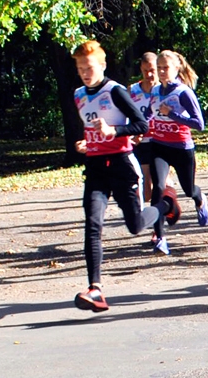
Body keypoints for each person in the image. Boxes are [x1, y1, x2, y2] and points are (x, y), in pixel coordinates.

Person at [71, 41, 160, 312]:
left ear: (102, 66)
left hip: (121, 164)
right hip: (96, 167)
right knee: (92, 223)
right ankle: (95, 288)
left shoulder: (115, 91)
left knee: (135, 225)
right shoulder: (78, 95)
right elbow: (91, 127)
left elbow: (141, 125)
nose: (85, 73)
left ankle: (164, 205)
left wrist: (113, 131)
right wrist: (88, 142)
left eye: (89, 67)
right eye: (80, 68)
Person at [148, 50, 208, 255]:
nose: (162, 72)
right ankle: (160, 238)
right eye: (159, 68)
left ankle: (200, 200)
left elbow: (199, 123)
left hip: (182, 148)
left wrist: (172, 114)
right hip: (159, 146)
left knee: (188, 189)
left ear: (176, 69)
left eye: (166, 68)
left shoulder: (184, 92)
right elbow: (148, 113)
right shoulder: (156, 91)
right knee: (157, 188)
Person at [129, 52, 159, 203]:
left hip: (161, 141)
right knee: (147, 193)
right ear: (141, 69)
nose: (149, 74)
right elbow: (125, 115)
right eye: (145, 70)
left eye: (152, 70)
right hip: (141, 142)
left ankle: (163, 213)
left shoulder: (164, 90)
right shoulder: (132, 90)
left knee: (161, 182)